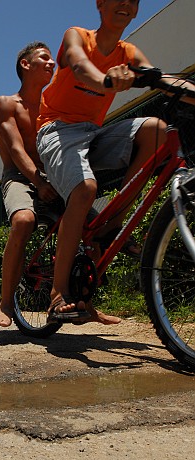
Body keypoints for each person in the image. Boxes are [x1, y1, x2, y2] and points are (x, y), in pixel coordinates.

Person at [36, 0, 195, 323]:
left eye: (132, 0)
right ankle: (58, 293)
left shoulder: (130, 53)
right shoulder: (77, 36)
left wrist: (181, 87)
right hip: (56, 128)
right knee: (85, 189)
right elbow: (80, 66)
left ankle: (110, 226)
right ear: (100, 4)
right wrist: (107, 80)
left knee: (157, 132)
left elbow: (161, 79)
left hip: (93, 133)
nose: (124, 3)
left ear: (136, 10)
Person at [0, 41, 120, 328]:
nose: (52, 64)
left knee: (98, 233)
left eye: (53, 60)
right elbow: (15, 149)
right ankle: (6, 303)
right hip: (21, 178)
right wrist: (38, 180)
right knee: (23, 221)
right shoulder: (7, 103)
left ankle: (86, 303)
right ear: (26, 64)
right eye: (44, 59)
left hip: (54, 177)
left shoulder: (54, 102)